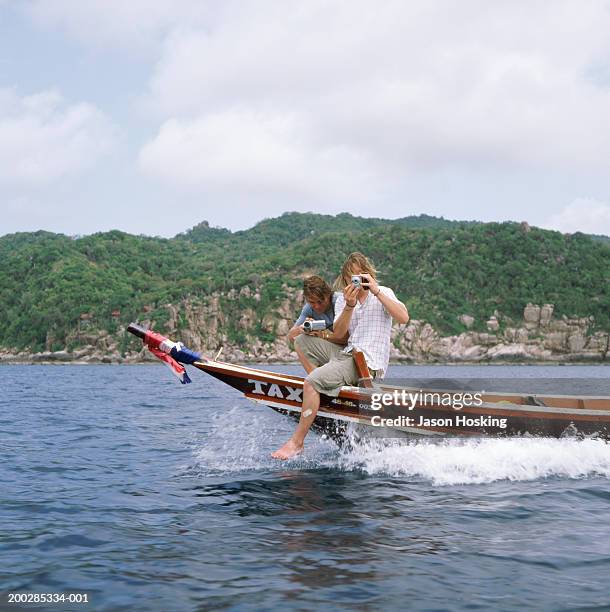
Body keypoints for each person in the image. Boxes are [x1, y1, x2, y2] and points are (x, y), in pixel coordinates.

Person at [272, 252, 409, 460]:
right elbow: (339, 335)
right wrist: (349, 306)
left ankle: (297, 443)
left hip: (368, 363)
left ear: (369, 274)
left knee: (310, 383)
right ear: (346, 280)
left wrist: (376, 291)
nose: (357, 282)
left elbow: (403, 318)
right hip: (348, 354)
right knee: (301, 340)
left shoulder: (383, 292)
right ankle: (323, 384)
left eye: (361, 277)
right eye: (352, 279)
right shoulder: (343, 301)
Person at [287, 276, 345, 373]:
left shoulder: (340, 301)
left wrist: (323, 334)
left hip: (346, 350)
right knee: (300, 340)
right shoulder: (309, 308)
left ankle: (318, 380)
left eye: (320, 302)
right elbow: (291, 336)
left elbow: (349, 338)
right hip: (330, 351)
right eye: (312, 302)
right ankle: (315, 378)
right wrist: (301, 329)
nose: (317, 306)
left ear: (328, 295)